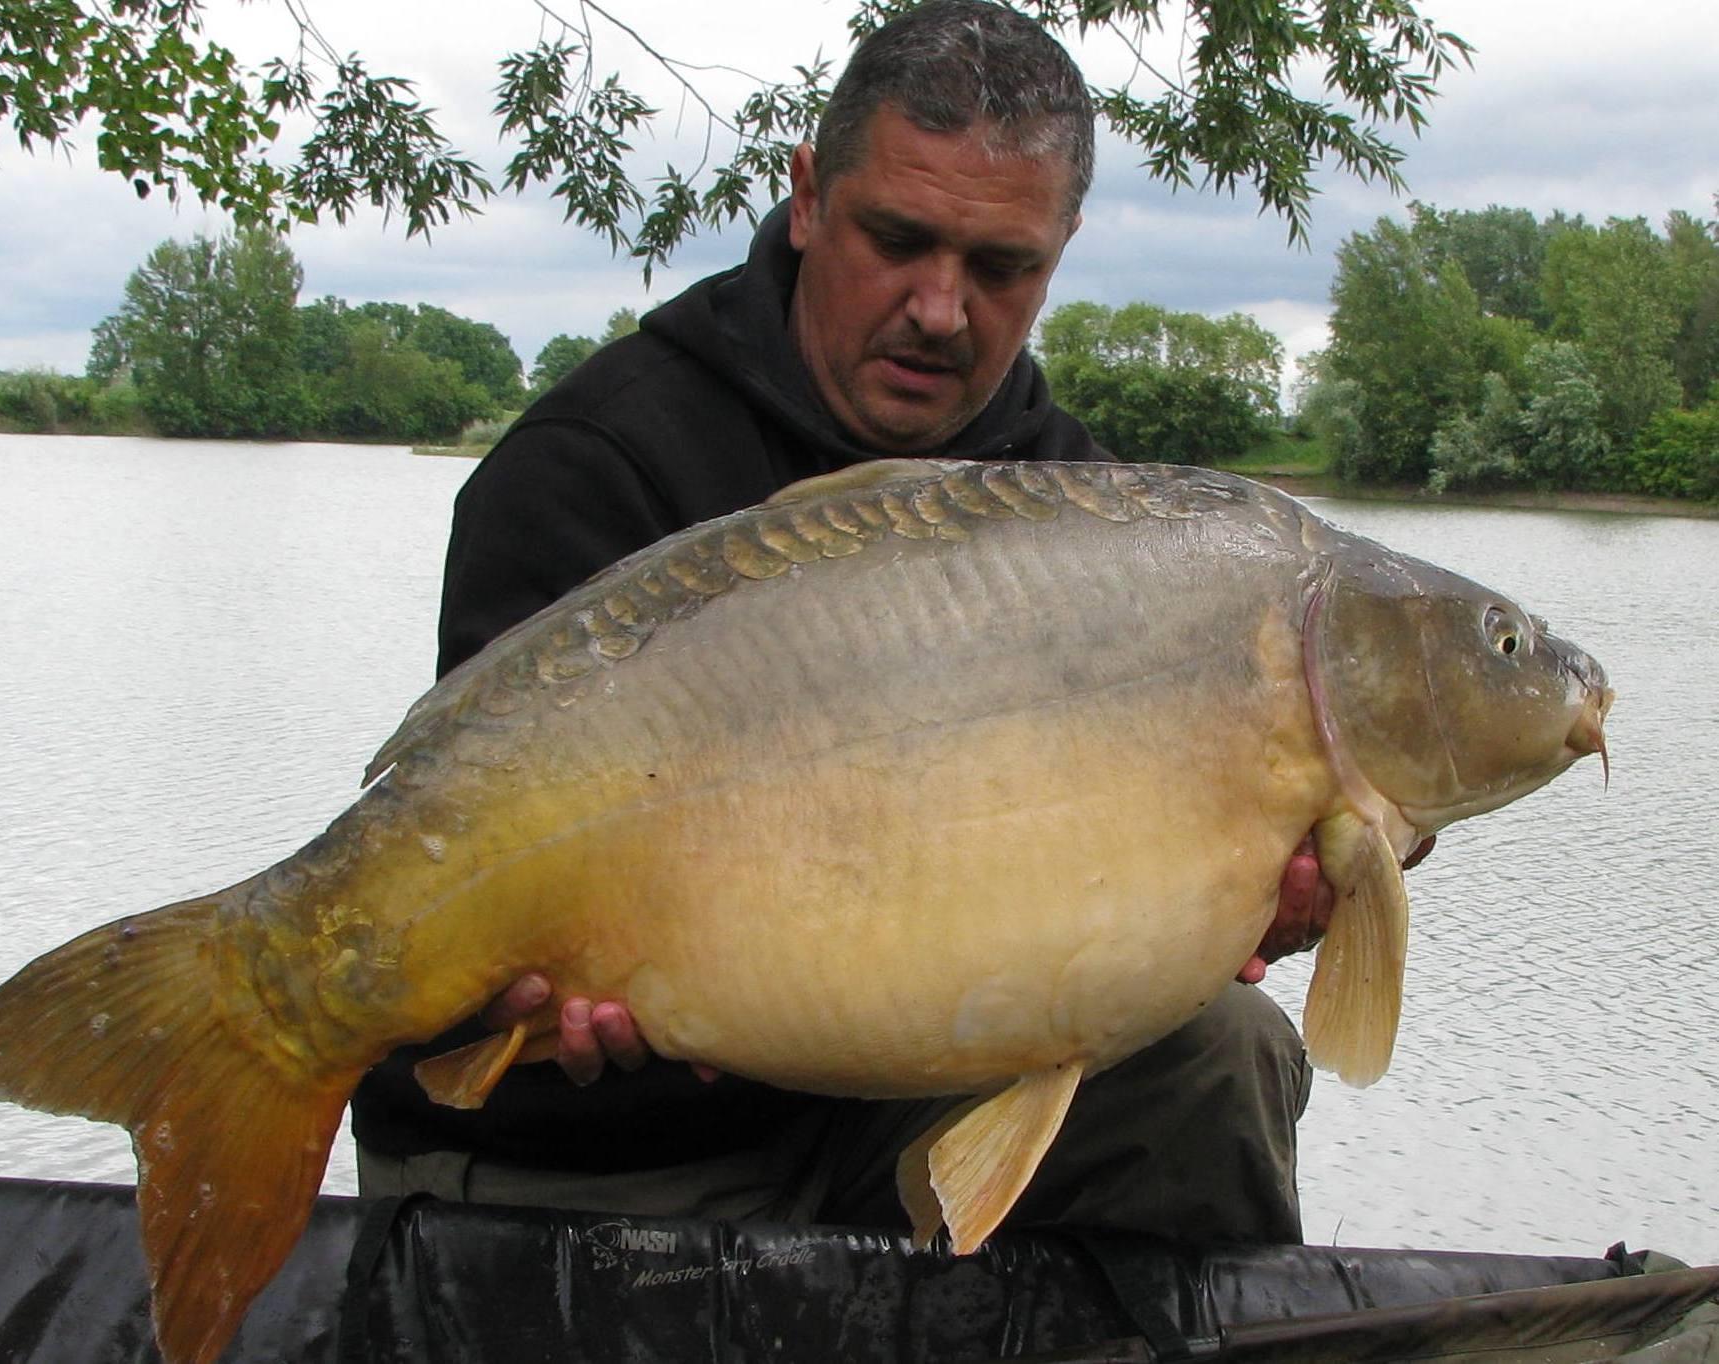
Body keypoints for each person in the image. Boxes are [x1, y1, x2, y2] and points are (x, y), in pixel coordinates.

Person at [351, 0, 1336, 1246]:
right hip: (590, 1153)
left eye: (1001, 267)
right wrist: (528, 985)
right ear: (809, 196)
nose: (940, 307)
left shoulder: (1087, 521)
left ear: (1063, 248)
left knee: (1222, 1048)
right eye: (900, 239)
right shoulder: (595, 461)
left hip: (890, 1105)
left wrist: (1226, 903)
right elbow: (461, 867)